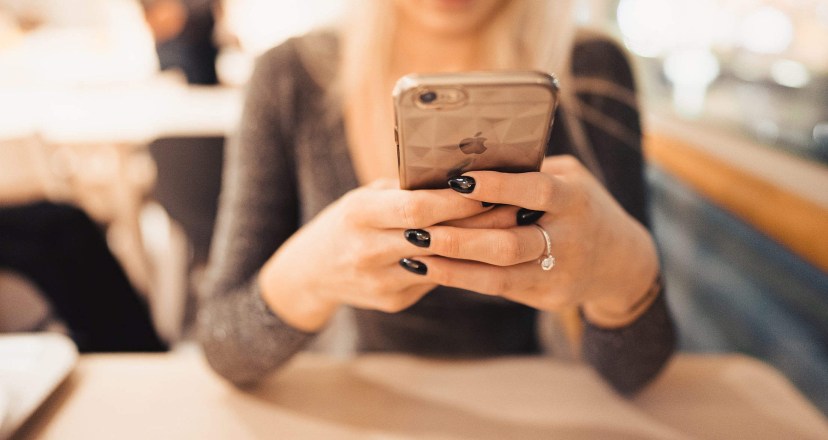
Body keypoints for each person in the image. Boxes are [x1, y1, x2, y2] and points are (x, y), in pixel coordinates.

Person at [197, 0, 675, 394]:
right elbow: (223, 345)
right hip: (350, 411)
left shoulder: (590, 70)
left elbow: (636, 370)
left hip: (527, 409)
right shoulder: (289, 75)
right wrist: (308, 275)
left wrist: (626, 274)